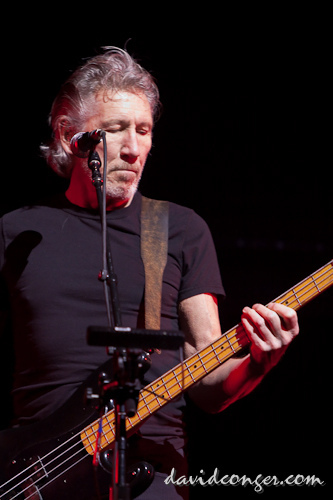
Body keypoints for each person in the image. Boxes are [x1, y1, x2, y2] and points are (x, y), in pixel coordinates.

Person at [0, 47, 299, 499]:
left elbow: (208, 384)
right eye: (115, 129)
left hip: (151, 473)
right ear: (68, 134)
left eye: (143, 130)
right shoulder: (17, 231)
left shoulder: (178, 229)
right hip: (32, 477)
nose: (134, 148)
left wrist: (259, 362)